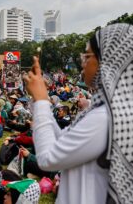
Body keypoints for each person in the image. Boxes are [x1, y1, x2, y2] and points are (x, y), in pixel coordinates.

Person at [23, 23, 133, 203]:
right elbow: (62, 143)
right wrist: (38, 100)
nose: (83, 63)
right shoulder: (107, 111)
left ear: (109, 62)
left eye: (87, 56)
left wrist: (42, 100)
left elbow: (48, 158)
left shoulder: (105, 118)